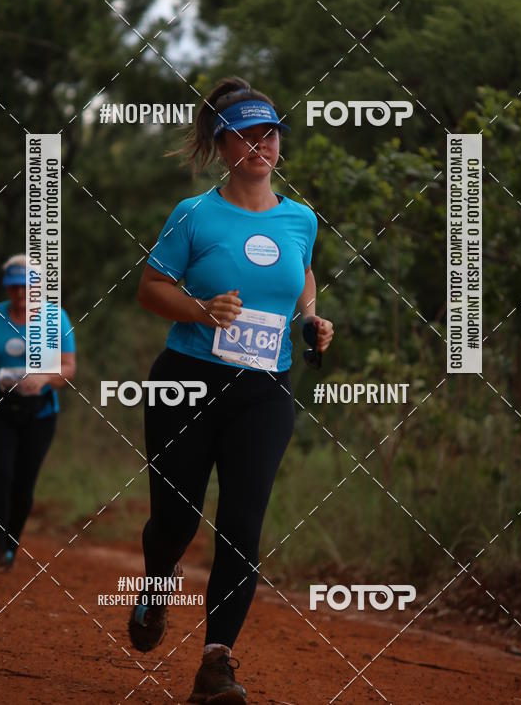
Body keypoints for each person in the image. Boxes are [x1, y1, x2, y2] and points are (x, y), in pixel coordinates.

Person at [129, 78, 333, 704]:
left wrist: (310, 320)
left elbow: (302, 279)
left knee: (242, 523)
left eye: (268, 134)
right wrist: (198, 309)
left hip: (265, 390)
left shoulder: (301, 218)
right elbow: (148, 288)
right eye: (243, 135)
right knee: (176, 517)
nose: (258, 146)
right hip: (187, 382)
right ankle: (157, 584)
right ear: (221, 145)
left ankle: (216, 664)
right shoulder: (193, 215)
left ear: (279, 143)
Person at [0, 255, 76, 572]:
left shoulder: (56, 318)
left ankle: (9, 546)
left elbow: (68, 368)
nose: (20, 294)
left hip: (39, 413)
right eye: (13, 287)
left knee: (23, 483)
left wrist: (45, 378)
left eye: (26, 286)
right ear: (6, 288)